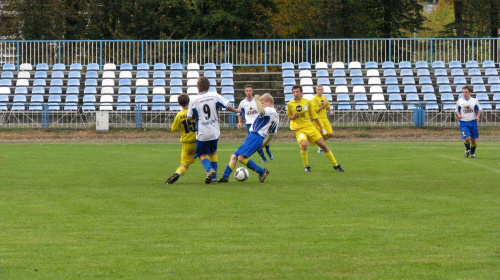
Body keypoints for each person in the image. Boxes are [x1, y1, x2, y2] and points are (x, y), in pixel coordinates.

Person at [187, 76, 241, 184]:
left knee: (201, 154)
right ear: (209, 86)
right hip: (214, 131)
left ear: (198, 87)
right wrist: (236, 110)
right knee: (213, 152)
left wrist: (196, 116)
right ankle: (214, 177)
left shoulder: (193, 100)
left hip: (202, 132)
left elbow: (189, 117)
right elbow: (227, 106)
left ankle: (209, 169)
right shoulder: (215, 96)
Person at [217, 93, 278, 183]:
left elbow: (261, 111)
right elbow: (272, 134)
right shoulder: (276, 116)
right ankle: (225, 177)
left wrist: (257, 99)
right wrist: (263, 144)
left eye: (262, 103)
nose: (260, 105)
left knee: (240, 158)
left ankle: (262, 171)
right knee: (235, 156)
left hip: (255, 136)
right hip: (257, 138)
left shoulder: (269, 110)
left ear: (268, 102)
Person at [287, 85, 345, 172]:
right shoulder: (290, 104)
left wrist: (320, 127)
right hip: (299, 129)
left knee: (322, 144)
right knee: (304, 144)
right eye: (294, 92)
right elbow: (289, 117)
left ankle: (335, 165)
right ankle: (306, 166)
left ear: (301, 93)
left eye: (297, 92)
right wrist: (292, 117)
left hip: (310, 127)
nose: (295, 94)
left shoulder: (307, 102)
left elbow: (314, 116)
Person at [165, 93, 197, 184]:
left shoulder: (179, 115)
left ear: (179, 104)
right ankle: (210, 171)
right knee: (205, 157)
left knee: (185, 165)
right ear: (189, 101)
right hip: (198, 141)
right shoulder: (194, 112)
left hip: (187, 143)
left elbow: (173, 129)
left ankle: (177, 173)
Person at [237, 84, 273, 162]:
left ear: (252, 91)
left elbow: (264, 110)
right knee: (255, 143)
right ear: (245, 92)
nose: (248, 92)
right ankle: (264, 158)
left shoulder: (257, 101)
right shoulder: (242, 103)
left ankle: (268, 150)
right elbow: (240, 113)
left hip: (259, 124)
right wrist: (239, 122)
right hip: (249, 125)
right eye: (247, 91)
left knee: (262, 140)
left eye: (250, 91)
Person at [455, 85, 482, 159]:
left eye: (466, 92)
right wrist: (458, 115)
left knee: (473, 140)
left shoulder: (475, 101)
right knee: (467, 138)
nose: (464, 93)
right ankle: (467, 149)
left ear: (469, 92)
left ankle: (472, 154)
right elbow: (456, 110)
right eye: (463, 92)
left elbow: (479, 110)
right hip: (463, 123)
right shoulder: (459, 101)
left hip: (473, 122)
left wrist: (478, 116)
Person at [311, 85, 334, 154]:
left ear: (323, 90)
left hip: (325, 119)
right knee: (323, 134)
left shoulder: (324, 98)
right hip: (319, 120)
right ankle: (320, 148)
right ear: (316, 90)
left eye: (321, 89)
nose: (319, 91)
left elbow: (327, 106)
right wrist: (323, 105)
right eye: (318, 89)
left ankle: (320, 143)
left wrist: (330, 111)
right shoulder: (314, 99)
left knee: (330, 134)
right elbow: (315, 110)